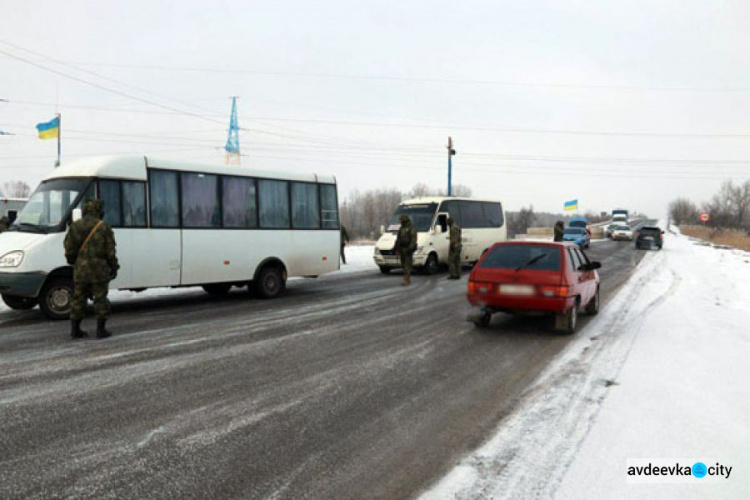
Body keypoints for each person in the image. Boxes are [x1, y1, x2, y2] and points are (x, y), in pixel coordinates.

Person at [64, 199, 119, 340]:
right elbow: (110, 252)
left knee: (78, 298)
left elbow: (69, 249)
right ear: (99, 211)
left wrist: (73, 261)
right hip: (99, 270)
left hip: (81, 269)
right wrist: (114, 267)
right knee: (100, 298)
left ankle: (75, 330)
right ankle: (101, 331)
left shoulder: (75, 226)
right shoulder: (104, 227)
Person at [395, 214, 418, 286]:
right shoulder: (401, 228)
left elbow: (413, 240)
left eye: (401, 220)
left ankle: (406, 280)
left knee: (407, 265)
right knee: (403, 265)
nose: (400, 221)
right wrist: (396, 248)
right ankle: (406, 279)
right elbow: (398, 239)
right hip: (402, 248)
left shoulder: (411, 228)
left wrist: (410, 248)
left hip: (408, 249)